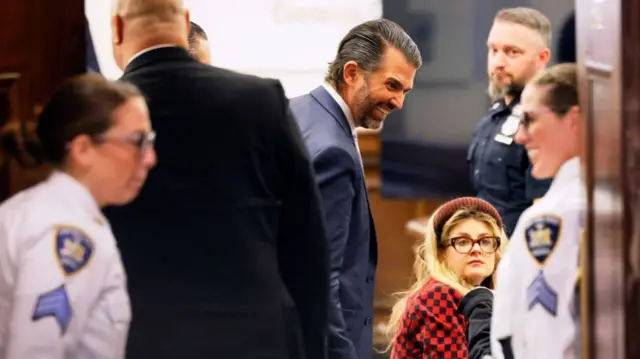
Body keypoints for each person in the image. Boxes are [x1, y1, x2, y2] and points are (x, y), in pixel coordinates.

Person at [106, 0, 330, 358]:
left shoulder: (103, 119)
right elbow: (307, 244)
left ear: (117, 29)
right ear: (186, 22)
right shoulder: (261, 100)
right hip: (254, 338)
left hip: (144, 340)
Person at [289, 19, 421, 359]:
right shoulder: (332, 149)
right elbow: (321, 277)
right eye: (392, 86)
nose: (398, 102)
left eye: (404, 91)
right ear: (351, 73)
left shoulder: (298, 110)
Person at [0, 74, 156, 358]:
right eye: (138, 141)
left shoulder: (35, 210)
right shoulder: (68, 233)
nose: (150, 158)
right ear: (83, 150)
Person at [490, 63, 584, 359]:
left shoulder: (557, 216)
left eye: (529, 120)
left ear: (573, 121)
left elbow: (548, 339)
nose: (520, 137)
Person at [385, 197, 507, 358]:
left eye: (485, 241)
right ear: (441, 253)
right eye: (463, 242)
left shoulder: (489, 296)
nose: (476, 249)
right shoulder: (438, 295)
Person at [469, 7, 554, 236]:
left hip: (517, 255)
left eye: (512, 52)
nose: (498, 61)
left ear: (542, 58)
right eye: (493, 50)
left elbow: (543, 213)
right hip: (484, 250)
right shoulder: (496, 113)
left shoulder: (544, 122)